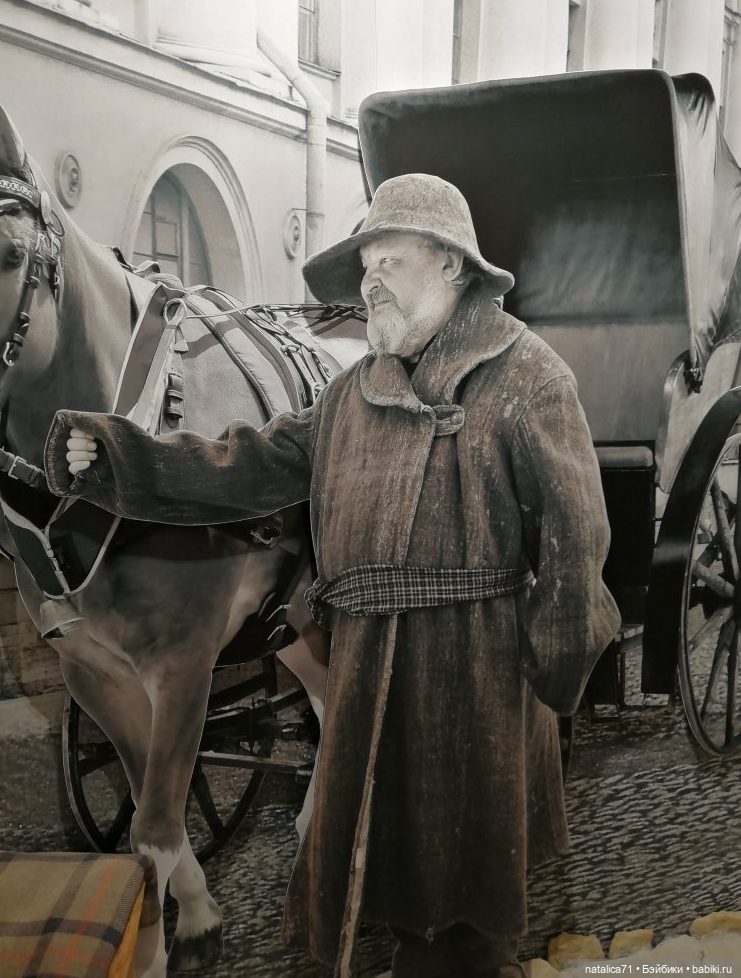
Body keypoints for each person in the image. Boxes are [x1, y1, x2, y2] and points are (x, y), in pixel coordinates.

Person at [45, 173, 620, 978]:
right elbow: (245, 463)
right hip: (367, 676)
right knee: (390, 891)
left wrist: (547, 672)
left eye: (390, 258)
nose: (370, 279)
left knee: (469, 919)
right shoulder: (352, 395)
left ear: (452, 267)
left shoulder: (529, 376)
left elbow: (575, 535)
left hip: (476, 681)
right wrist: (122, 458)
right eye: (364, 265)